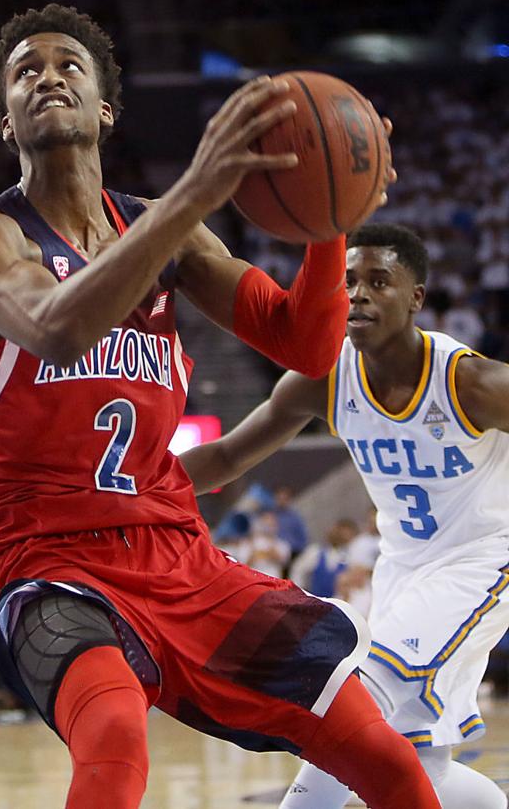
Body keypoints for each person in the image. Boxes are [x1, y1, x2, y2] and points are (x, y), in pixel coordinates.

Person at [0, 3, 436, 809]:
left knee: (381, 752)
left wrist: (330, 226)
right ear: (5, 120)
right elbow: (57, 329)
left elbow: (303, 346)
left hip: (175, 550)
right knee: (113, 738)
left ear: (105, 107)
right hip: (44, 556)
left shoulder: (162, 230)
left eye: (69, 64)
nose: (47, 77)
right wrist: (195, 195)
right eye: (25, 72)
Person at [182, 223, 509, 809]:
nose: (357, 294)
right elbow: (229, 455)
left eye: (379, 281)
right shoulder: (326, 378)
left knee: (347, 703)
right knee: (409, 760)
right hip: (402, 569)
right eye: (349, 280)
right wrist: (125, 491)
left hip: (481, 562)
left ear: (416, 297)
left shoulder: (471, 382)